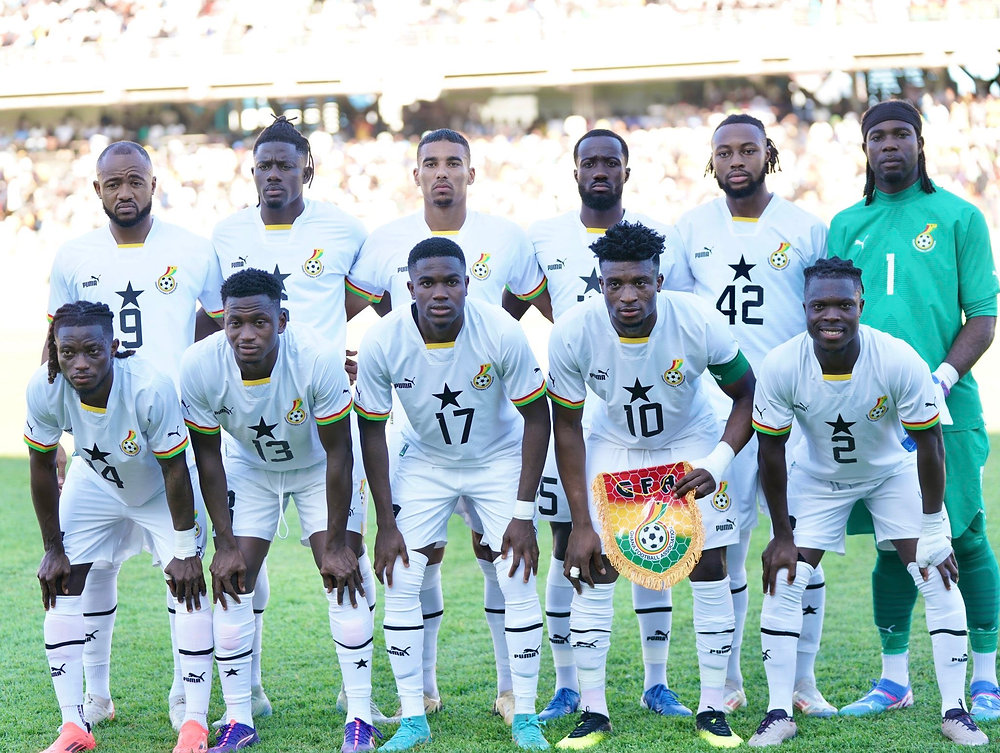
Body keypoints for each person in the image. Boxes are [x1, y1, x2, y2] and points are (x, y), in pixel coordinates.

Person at [350, 128, 550, 723]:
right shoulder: (384, 339)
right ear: (405, 288)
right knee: (404, 577)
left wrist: (521, 513)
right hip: (425, 461)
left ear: (470, 282)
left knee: (514, 576)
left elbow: (537, 415)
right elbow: (370, 431)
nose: (440, 292)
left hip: (496, 456)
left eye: (452, 282)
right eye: (427, 283)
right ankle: (412, 713)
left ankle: (525, 710)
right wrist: (384, 522)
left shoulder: (499, 328)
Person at [749, 257, 986, 747]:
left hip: (890, 474)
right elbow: (769, 450)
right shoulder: (781, 364)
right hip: (817, 478)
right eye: (819, 305)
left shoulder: (897, 358)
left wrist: (933, 526)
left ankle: (955, 710)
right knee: (785, 578)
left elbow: (930, 446)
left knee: (936, 573)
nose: (830, 315)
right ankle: (777, 712)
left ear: (862, 305)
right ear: (804, 308)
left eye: (843, 304)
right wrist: (782, 534)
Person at [547, 221, 755, 748]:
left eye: (640, 282)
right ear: (600, 281)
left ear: (659, 279)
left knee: (710, 566)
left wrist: (719, 460)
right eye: (615, 283)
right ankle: (593, 710)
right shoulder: (573, 330)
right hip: (613, 448)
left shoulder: (697, 318)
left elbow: (747, 395)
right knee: (596, 569)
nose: (627, 295)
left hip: (689, 444)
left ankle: (712, 708)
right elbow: (566, 427)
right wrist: (580, 521)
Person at [829, 99, 1000, 720]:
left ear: (920, 144)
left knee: (966, 534)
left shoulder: (959, 217)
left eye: (903, 134)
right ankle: (893, 679)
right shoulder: (846, 224)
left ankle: (985, 676)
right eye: (878, 136)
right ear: (865, 150)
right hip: (871, 412)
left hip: (949, 405)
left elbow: (982, 317)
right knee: (890, 543)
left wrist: (944, 377)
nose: (891, 145)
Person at [210, 115, 383, 725]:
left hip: (322, 419)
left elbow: (381, 300)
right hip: (251, 433)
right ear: (252, 172)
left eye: (286, 165)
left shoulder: (342, 228)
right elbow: (214, 322)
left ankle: (355, 703)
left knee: (345, 560)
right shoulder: (226, 233)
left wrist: (355, 356)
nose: (274, 175)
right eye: (264, 166)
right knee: (236, 567)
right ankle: (245, 699)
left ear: (308, 167)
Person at [46, 140, 225, 730]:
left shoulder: (194, 250)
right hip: (100, 447)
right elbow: (61, 347)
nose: (125, 193)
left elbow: (225, 326)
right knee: (87, 569)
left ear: (155, 184)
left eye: (135, 182)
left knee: (187, 569)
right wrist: (69, 442)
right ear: (97, 190)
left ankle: (186, 698)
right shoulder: (73, 255)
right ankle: (94, 697)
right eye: (113, 184)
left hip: (171, 440)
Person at [528, 128, 694, 722]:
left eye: (611, 162)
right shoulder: (543, 235)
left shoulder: (657, 236)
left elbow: (676, 313)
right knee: (569, 542)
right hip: (577, 410)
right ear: (574, 170)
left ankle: (657, 682)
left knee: (655, 534)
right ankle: (568, 685)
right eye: (589, 162)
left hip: (647, 414)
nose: (600, 170)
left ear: (628, 169)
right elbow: (512, 307)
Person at [672, 113, 831, 715]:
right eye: (724, 152)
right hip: (719, 414)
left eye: (747, 150)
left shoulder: (807, 228)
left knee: (804, 544)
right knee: (725, 548)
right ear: (710, 161)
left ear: (770, 154)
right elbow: (684, 320)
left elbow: (826, 315)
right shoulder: (691, 229)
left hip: (794, 407)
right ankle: (732, 679)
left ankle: (801, 683)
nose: (736, 160)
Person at [180, 269, 378, 753]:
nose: (246, 334)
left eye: (259, 323)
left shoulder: (315, 358)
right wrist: (224, 544)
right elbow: (207, 456)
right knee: (232, 578)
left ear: (282, 320)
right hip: (249, 470)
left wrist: (333, 545)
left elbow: (339, 452)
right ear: (222, 323)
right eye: (234, 323)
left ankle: (359, 714)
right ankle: (238, 718)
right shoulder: (199, 365)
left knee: (343, 573)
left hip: (318, 469)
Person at [25, 301, 214, 753]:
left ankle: (194, 722)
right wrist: (53, 548)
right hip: (95, 481)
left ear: (114, 346)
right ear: (55, 350)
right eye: (68, 352)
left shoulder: (149, 386)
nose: (80, 363)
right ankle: (75, 724)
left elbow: (175, 471)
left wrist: (186, 549)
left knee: (186, 585)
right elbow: (40, 463)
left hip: (159, 488)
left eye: (92, 350)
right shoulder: (46, 386)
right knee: (64, 581)